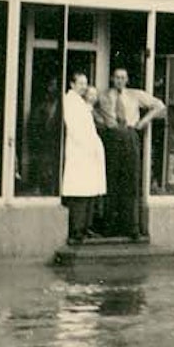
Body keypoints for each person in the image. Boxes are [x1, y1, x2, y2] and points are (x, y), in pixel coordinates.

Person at [93, 67, 166, 241]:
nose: (120, 80)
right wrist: (101, 121)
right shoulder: (103, 96)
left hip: (130, 135)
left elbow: (159, 105)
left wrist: (143, 122)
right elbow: (90, 107)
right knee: (111, 179)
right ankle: (110, 226)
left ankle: (131, 226)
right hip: (112, 137)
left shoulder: (135, 95)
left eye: (123, 78)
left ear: (127, 80)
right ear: (112, 79)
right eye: (117, 77)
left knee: (131, 180)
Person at [59, 72, 106, 244]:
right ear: (72, 85)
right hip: (80, 153)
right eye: (80, 83)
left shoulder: (80, 102)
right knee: (79, 193)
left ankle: (86, 227)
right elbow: (76, 129)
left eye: (85, 84)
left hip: (88, 154)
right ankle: (77, 230)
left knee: (88, 191)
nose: (84, 87)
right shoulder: (70, 101)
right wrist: (88, 146)